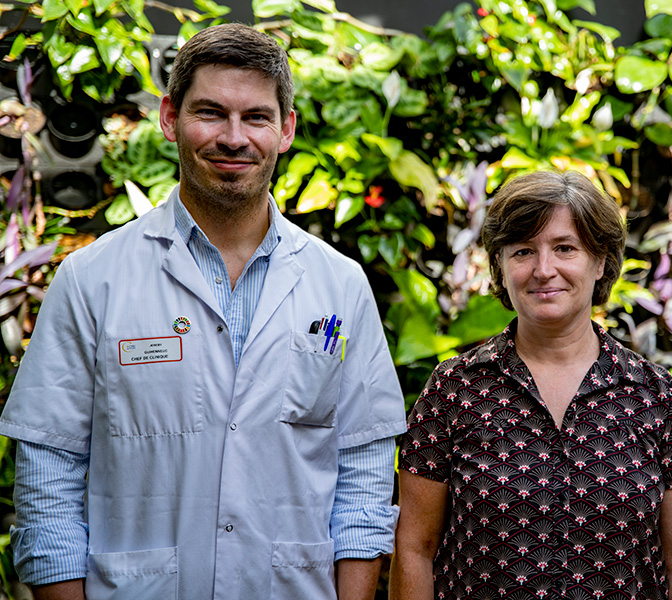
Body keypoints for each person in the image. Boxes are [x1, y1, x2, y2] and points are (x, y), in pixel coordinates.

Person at [0, 23, 407, 600]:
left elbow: (363, 482)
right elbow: (47, 482)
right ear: (169, 118)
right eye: (210, 113)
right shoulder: (93, 281)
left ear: (286, 129)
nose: (234, 138)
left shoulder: (338, 287)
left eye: (257, 117)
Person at [390, 170, 672, 600]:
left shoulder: (655, 397)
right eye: (523, 251)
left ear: (600, 262)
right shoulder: (454, 391)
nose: (544, 270)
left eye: (565, 248)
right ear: (500, 266)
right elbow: (414, 549)